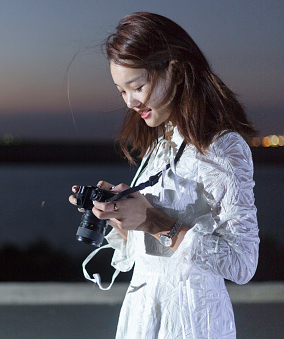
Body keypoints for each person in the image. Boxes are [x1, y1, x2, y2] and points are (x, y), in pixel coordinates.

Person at [69, 12, 259, 338]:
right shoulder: (162, 144)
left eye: (138, 86)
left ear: (174, 70)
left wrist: (154, 221)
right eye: (121, 91)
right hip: (142, 320)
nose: (130, 102)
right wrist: (122, 217)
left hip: (192, 324)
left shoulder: (223, 150)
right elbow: (153, 256)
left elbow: (243, 263)